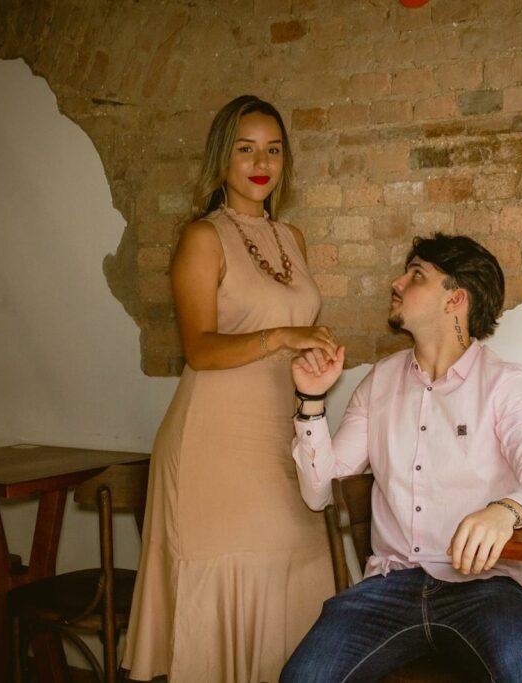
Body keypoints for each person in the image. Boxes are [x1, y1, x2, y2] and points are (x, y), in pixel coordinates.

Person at [280, 234, 522, 682]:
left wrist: (504, 511)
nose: (397, 282)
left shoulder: (505, 384)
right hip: (388, 590)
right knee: (302, 678)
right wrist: (311, 401)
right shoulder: (379, 382)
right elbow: (321, 493)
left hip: (486, 589)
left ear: (455, 299)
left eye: (416, 275)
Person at [123, 95, 338, 682]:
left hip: (280, 433)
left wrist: (312, 356)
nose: (260, 161)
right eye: (245, 149)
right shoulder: (201, 237)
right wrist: (283, 335)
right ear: (223, 158)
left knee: (299, 580)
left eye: (273, 149)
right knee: (223, 590)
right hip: (213, 444)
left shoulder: (291, 236)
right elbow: (200, 349)